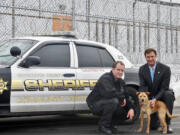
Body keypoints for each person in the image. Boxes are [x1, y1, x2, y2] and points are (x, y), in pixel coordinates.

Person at [86, 61, 135, 135]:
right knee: (113, 101)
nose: (120, 72)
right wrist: (122, 98)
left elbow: (126, 96)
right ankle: (103, 125)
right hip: (95, 104)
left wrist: (131, 108)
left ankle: (111, 125)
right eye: (118, 70)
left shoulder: (121, 82)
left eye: (122, 70)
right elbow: (109, 93)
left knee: (125, 112)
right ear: (113, 69)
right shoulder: (105, 78)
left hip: (108, 102)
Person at [138, 48, 175, 134]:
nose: (150, 59)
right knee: (153, 127)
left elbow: (164, 87)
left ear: (156, 56)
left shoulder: (165, 69)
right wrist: (143, 98)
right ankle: (158, 118)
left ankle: (167, 124)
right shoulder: (142, 69)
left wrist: (155, 99)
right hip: (150, 97)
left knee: (169, 95)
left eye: (152, 56)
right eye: (148, 57)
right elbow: (142, 86)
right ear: (145, 57)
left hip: (162, 95)